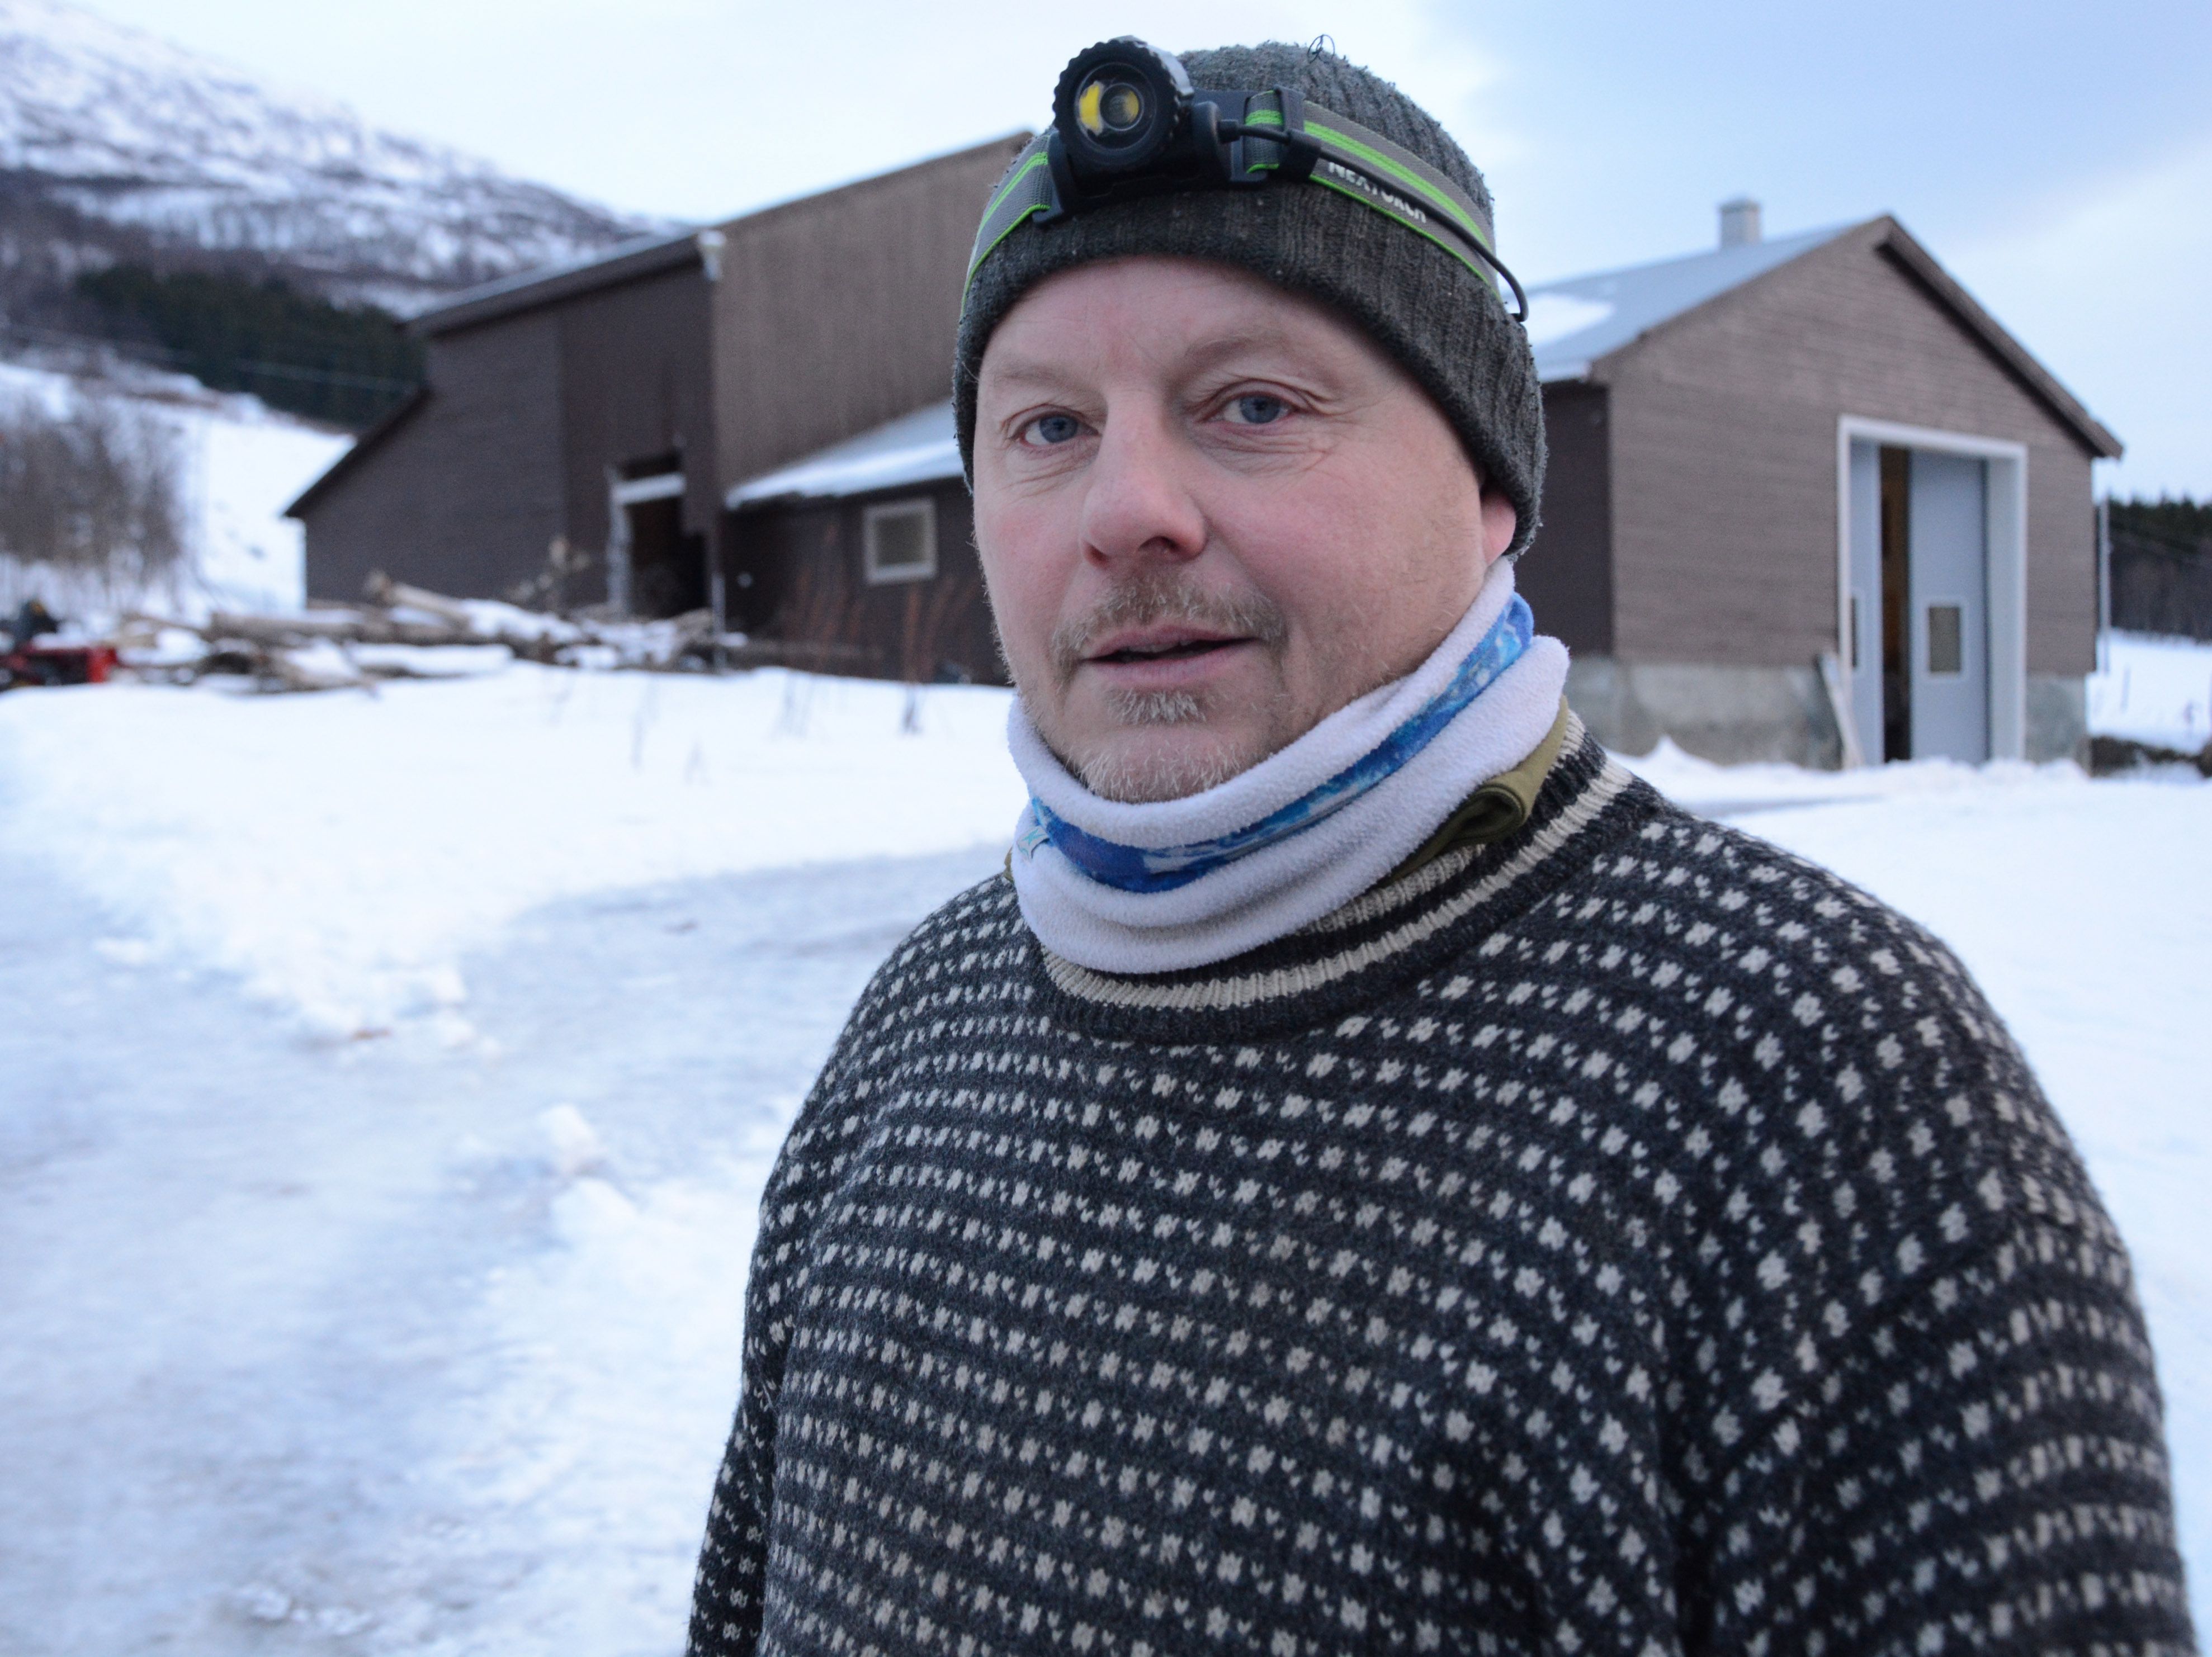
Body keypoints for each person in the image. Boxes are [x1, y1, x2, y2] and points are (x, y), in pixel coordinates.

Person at [689, 41, 2195, 1656]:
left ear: (1486, 483)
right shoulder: (920, 1029)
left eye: (1252, 406)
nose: (1126, 510)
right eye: (1047, 427)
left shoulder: (1816, 1084)